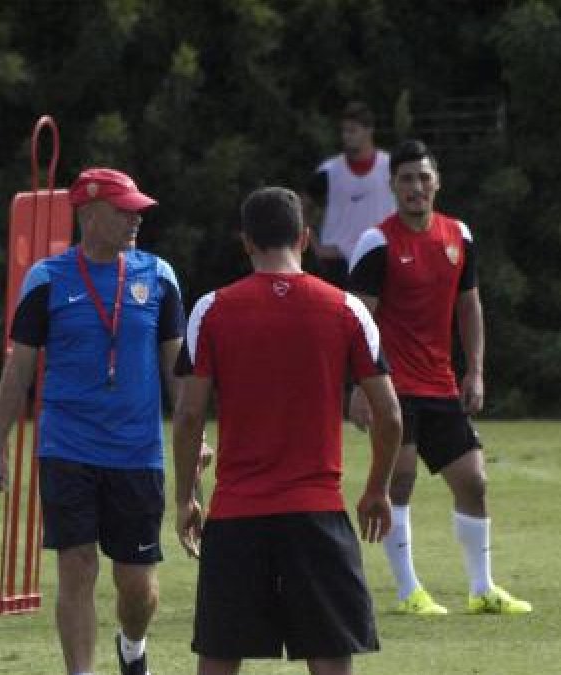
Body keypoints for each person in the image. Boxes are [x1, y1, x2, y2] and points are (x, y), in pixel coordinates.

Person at [174, 187, 402, 675]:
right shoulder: (346, 309)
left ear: (246, 243)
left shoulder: (211, 309)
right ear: (305, 238)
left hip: (237, 513)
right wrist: (377, 490)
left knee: (219, 655)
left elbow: (190, 415)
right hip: (316, 513)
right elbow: (390, 415)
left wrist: (186, 498)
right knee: (329, 658)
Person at [0, 167, 195, 675]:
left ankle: (133, 647)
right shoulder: (47, 279)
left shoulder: (158, 276)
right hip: (67, 448)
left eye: (138, 210)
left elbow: (178, 368)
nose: (136, 219)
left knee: (137, 586)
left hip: (137, 453)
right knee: (76, 569)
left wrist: (194, 432)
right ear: (89, 212)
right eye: (124, 211)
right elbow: (19, 371)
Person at [347, 139, 532, 616]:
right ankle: (410, 592)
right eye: (406, 178)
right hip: (392, 386)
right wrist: (358, 388)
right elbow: (356, 322)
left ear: (437, 182)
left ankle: (482, 588)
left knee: (474, 481)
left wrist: (476, 369)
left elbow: (469, 304)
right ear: (393, 186)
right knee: (401, 480)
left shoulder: (459, 236)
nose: (415, 187)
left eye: (423, 177)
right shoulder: (377, 244)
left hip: (441, 383)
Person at [305, 101, 395, 288]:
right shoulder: (329, 172)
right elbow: (298, 208)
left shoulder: (391, 168)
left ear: (369, 130)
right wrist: (316, 246)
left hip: (381, 255)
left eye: (353, 131)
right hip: (338, 262)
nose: (347, 136)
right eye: (344, 131)